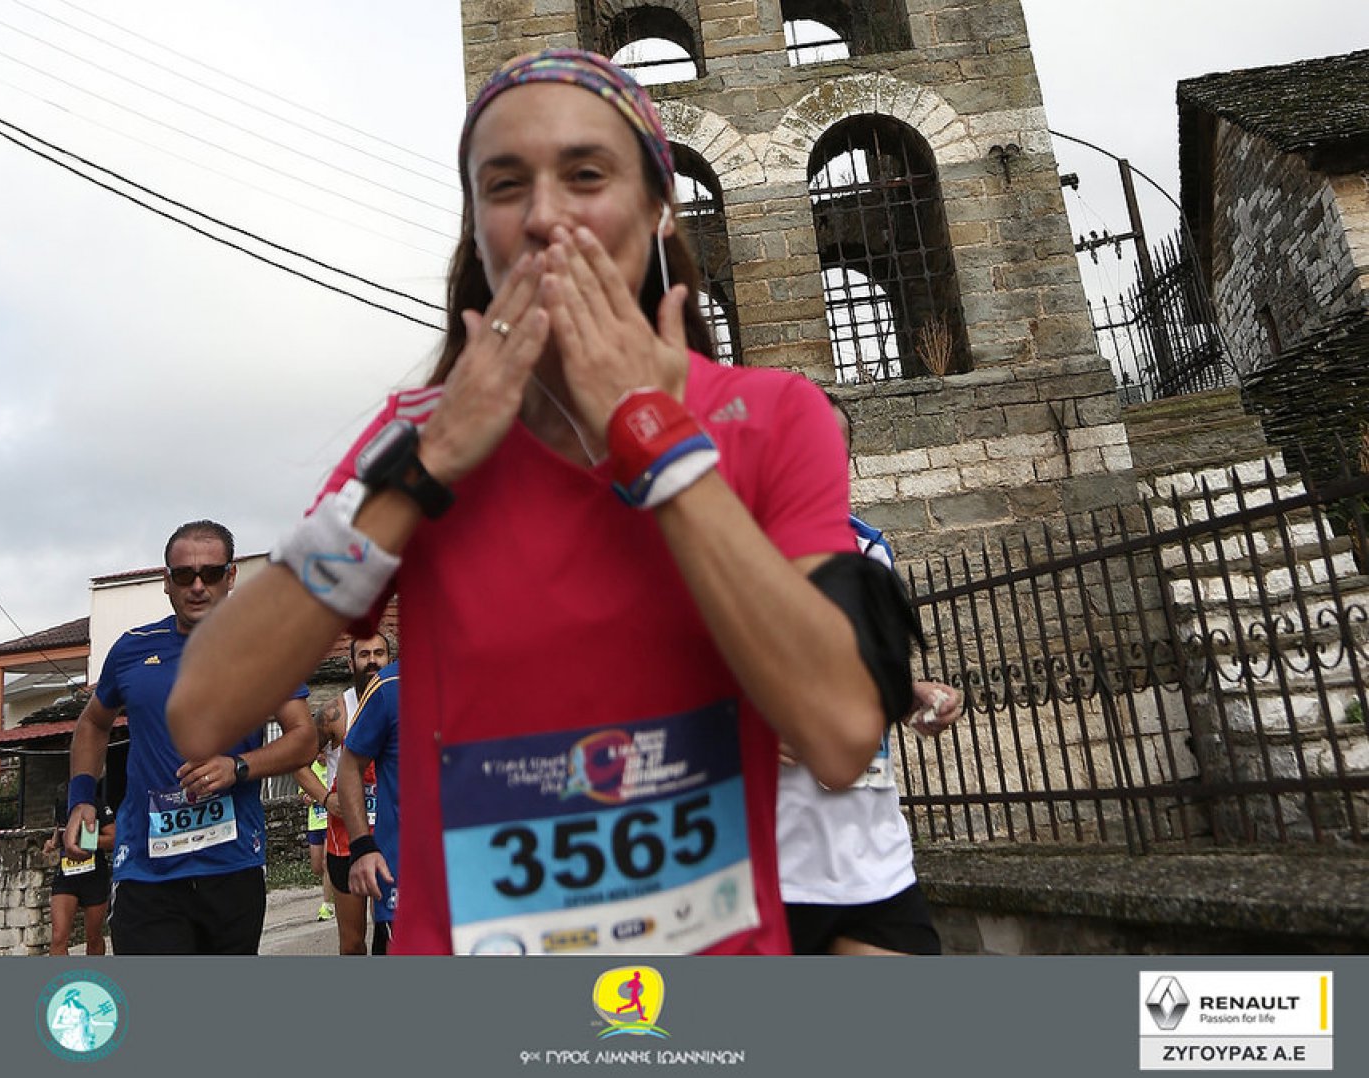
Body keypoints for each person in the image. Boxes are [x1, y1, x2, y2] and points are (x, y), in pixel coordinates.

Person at [169, 50, 915, 956]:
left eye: (587, 174)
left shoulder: (770, 415)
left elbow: (840, 735)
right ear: (477, 230)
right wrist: (428, 465)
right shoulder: (419, 436)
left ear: (659, 207)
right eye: (505, 185)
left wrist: (655, 440)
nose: (546, 216)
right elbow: (205, 712)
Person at [64, 520, 317, 954]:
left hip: (231, 866)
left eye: (211, 573)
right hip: (146, 871)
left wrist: (237, 767)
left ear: (231, 576)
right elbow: (92, 724)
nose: (198, 586)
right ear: (166, 582)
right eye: (184, 575)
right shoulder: (132, 649)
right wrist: (81, 798)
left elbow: (304, 738)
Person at [776, 399, 963, 955]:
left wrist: (910, 697)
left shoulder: (871, 551)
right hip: (774, 866)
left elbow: (864, 683)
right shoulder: (730, 551)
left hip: (875, 861)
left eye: (834, 451)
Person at [293, 632, 390, 954]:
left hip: (392, 834)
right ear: (351, 664)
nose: (372, 661)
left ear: (390, 660)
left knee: (391, 933)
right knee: (352, 943)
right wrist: (325, 798)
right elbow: (298, 762)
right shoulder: (335, 713)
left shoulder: (403, 705)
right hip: (345, 840)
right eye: (364, 655)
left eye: (379, 653)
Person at [336, 660, 401, 955]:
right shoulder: (388, 686)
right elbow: (349, 765)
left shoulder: (492, 678)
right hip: (405, 873)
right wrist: (362, 846)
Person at [42, 779, 115, 955]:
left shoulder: (97, 804)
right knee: (58, 937)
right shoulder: (62, 806)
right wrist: (51, 844)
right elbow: (60, 831)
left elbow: (114, 838)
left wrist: (87, 840)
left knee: (93, 937)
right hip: (66, 876)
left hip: (94, 876)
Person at [302, 757, 336, 921]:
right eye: (318, 753)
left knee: (326, 862)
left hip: (331, 822)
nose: (320, 756)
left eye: (323, 753)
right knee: (317, 867)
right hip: (315, 823)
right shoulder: (310, 769)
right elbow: (303, 795)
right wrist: (307, 799)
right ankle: (335, 885)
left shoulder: (334, 766)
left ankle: (327, 905)